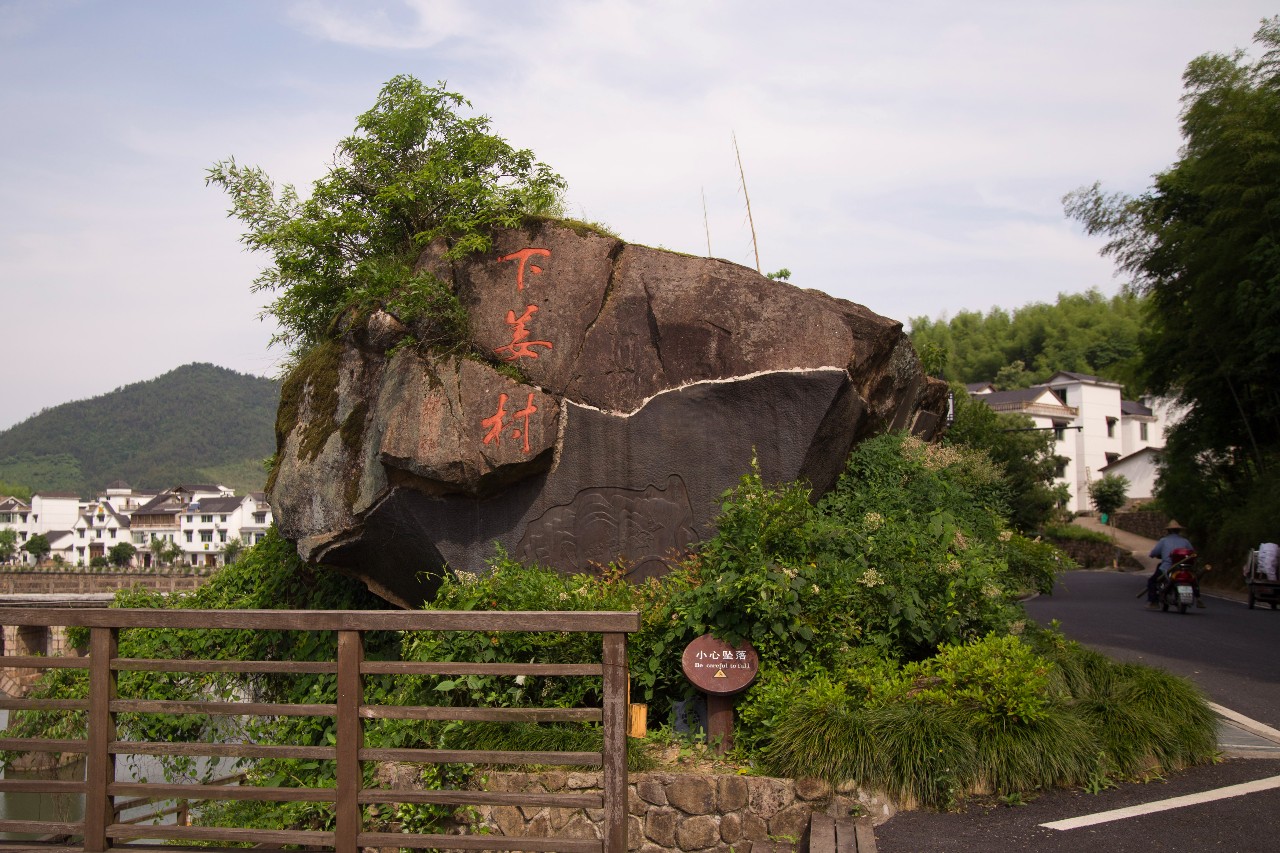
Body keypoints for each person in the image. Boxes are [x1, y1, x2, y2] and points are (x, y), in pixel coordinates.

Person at [1147, 520, 1203, 608]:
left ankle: (1154, 602)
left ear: (1168, 531)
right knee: (1193, 580)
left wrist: (1153, 555)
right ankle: (1198, 598)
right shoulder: (1185, 541)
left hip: (1167, 567)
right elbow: (1193, 553)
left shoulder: (1163, 540)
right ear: (1179, 531)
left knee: (1152, 581)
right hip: (1184, 567)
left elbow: (1153, 553)